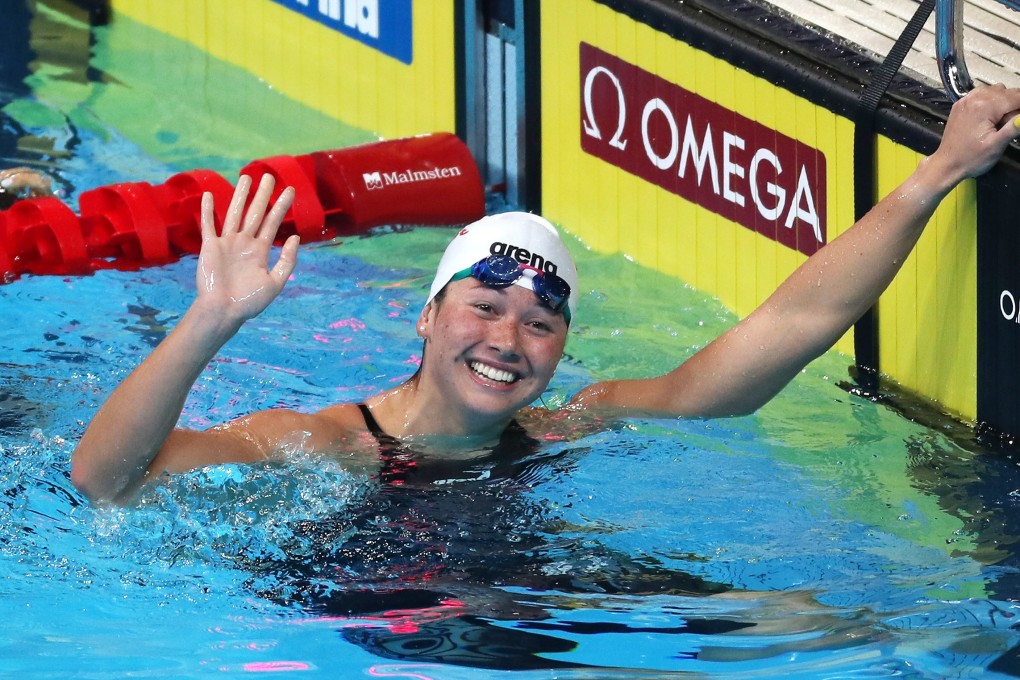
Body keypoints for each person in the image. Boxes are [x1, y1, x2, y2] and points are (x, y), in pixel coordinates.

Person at [70, 84, 1020, 506]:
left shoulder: (570, 422)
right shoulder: (325, 442)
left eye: (541, 321)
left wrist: (936, 174)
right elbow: (103, 482)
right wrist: (210, 320)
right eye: (482, 307)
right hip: (377, 628)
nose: (509, 337)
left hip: (527, 614)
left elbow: (794, 324)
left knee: (803, 621)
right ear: (428, 313)